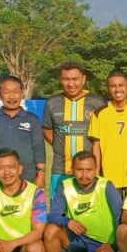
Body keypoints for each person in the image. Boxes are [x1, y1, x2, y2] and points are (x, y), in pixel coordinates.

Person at [43, 150, 123, 252]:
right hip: (76, 238)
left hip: (101, 242)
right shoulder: (65, 186)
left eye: (89, 170)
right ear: (72, 170)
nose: (84, 175)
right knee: (51, 229)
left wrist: (114, 245)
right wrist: (68, 222)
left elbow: (120, 218)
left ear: (95, 169)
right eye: (80, 170)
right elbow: (52, 215)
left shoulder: (106, 186)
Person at [42, 61, 105, 200]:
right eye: (66, 79)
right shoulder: (52, 102)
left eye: (75, 79)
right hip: (60, 169)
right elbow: (47, 130)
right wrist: (61, 145)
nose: (71, 84)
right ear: (60, 80)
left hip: (88, 171)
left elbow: (103, 137)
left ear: (83, 79)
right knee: (59, 212)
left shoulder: (97, 102)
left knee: (87, 211)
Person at [88, 69, 127, 199]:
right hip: (110, 176)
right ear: (108, 89)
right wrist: (96, 174)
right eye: (113, 86)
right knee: (114, 216)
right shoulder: (99, 114)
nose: (117, 89)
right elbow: (96, 147)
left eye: (121, 85)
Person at [0, 74, 45, 187]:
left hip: (28, 178)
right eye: (7, 92)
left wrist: (41, 175)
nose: (12, 96)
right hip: (0, 179)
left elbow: (39, 148)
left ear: (22, 93)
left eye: (15, 91)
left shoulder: (32, 119)